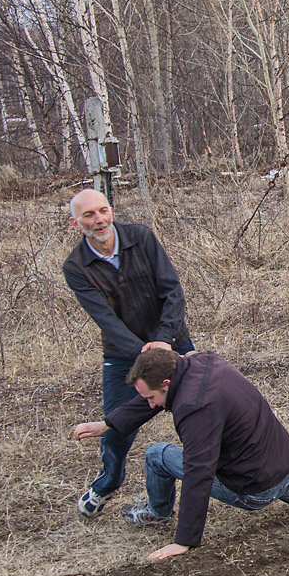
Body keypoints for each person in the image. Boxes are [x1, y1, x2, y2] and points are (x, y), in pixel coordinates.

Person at [71, 348, 289, 561]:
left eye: (149, 398)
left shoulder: (195, 408)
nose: (149, 406)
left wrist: (184, 541)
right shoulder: (201, 362)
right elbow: (156, 399)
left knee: (157, 454)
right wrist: (109, 423)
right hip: (284, 464)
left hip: (253, 488)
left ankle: (159, 514)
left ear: (165, 381)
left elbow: (198, 472)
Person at [63, 188, 195, 518]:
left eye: (103, 210)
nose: (99, 220)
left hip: (172, 341)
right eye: (89, 215)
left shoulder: (141, 237)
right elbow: (105, 320)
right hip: (123, 351)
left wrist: (164, 339)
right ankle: (107, 483)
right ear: (75, 222)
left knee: (201, 404)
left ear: (111, 210)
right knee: (117, 425)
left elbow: (172, 291)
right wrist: (142, 352)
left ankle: (225, 467)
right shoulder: (76, 266)